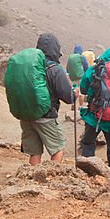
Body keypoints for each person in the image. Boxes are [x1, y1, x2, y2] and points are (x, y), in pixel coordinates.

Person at [21, 33, 74, 164]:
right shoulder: (55, 69)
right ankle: (52, 178)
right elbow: (68, 97)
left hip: (26, 115)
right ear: (56, 49)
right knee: (57, 148)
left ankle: (32, 178)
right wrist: (75, 94)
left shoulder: (30, 65)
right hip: (46, 116)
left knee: (35, 152)